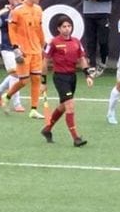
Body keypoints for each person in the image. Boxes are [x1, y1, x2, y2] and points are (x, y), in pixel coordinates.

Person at [39, 16, 92, 147]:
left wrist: (87, 75)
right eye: (64, 26)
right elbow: (45, 62)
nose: (67, 29)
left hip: (72, 77)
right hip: (60, 77)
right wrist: (43, 81)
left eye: (69, 26)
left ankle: (47, 129)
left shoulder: (76, 42)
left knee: (63, 106)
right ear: (58, 28)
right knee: (70, 105)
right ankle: (76, 138)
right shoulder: (53, 43)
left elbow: (82, 58)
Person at [2, 0, 48, 118]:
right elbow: (12, 30)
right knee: (23, 81)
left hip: (36, 50)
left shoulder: (39, 10)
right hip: (23, 51)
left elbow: (39, 29)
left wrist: (42, 45)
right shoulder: (17, 11)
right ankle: (7, 96)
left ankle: (33, 109)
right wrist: (16, 48)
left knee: (36, 79)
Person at [75, 0, 117, 78]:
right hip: (88, 12)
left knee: (103, 40)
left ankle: (103, 62)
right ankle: (92, 65)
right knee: (90, 40)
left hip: (103, 12)